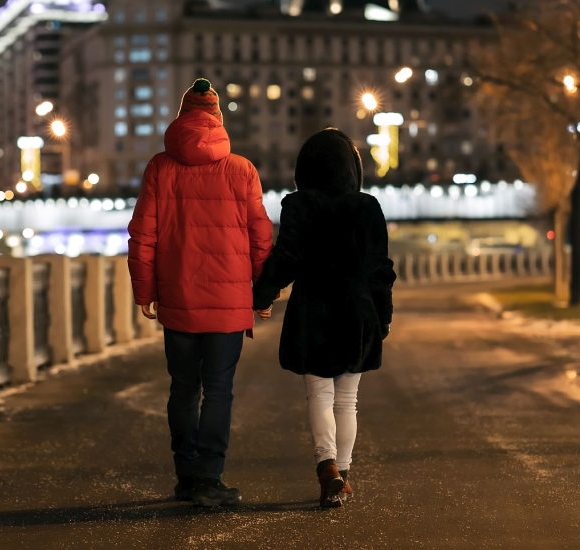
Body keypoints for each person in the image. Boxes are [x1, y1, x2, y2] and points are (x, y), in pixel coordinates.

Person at [128, 78, 274, 508]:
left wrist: (144, 290)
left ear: (182, 116)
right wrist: (262, 294)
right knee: (219, 390)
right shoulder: (242, 169)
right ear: (216, 118)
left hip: (179, 302)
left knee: (183, 390)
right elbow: (260, 237)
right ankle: (210, 477)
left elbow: (143, 235)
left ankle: (187, 477)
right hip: (229, 307)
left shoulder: (160, 167)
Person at [251, 129, 396, 508]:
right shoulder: (367, 207)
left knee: (319, 393)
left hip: (313, 310)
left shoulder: (299, 205)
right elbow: (381, 269)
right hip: (357, 310)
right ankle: (340, 478)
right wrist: (382, 318)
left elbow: (286, 258)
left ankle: (327, 467)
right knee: (348, 401)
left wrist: (262, 294)